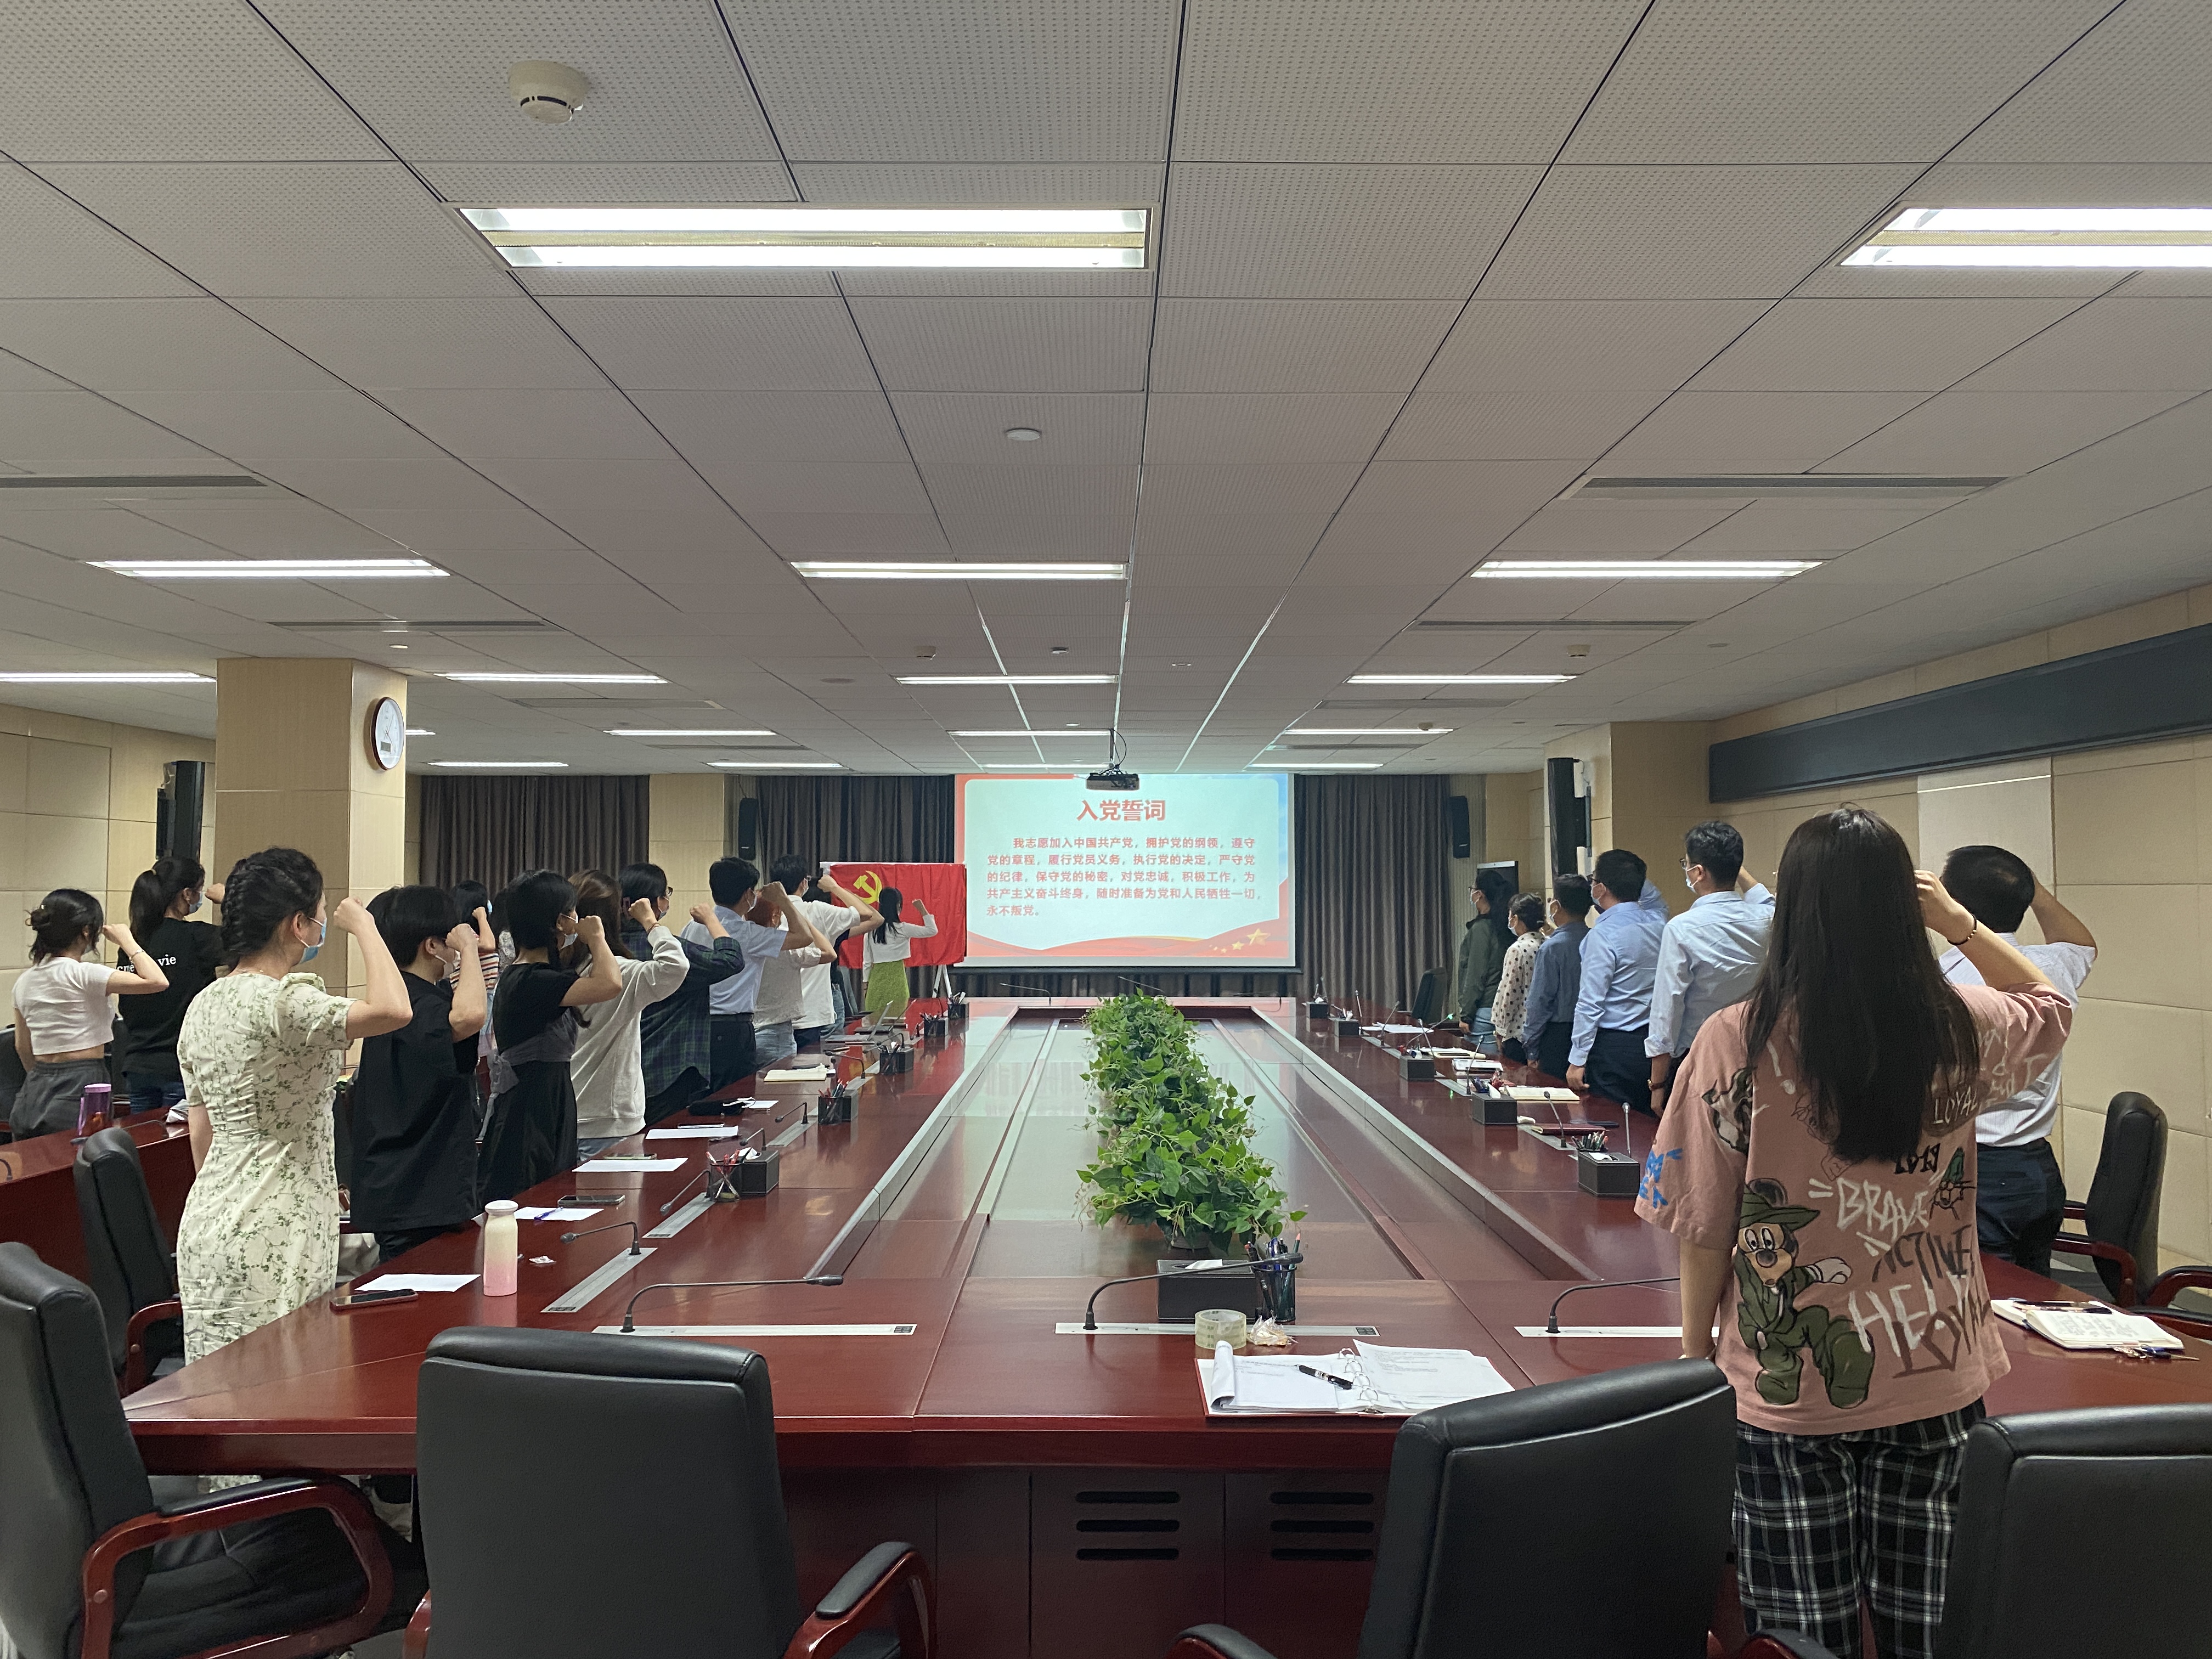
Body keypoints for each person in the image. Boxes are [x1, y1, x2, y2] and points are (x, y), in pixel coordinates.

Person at [1637, 807, 2071, 1659]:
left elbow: (1705, 1224)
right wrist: (1960, 923)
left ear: (1794, 909)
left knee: (1803, 1637)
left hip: (1787, 1388)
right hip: (1936, 1374)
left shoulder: (1738, 1040)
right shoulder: (1960, 1026)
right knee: (1931, 1632)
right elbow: (2050, 1006)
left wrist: (1696, 1359)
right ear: (1904, 907)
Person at [173, 848, 412, 1369]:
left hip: (210, 1222)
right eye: (320, 916)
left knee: (218, 1392)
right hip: (280, 1223)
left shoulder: (203, 1005)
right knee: (285, 1385)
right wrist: (366, 927)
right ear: (297, 925)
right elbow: (395, 1009)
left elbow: (201, 1131)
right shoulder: (285, 1003)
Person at [1937, 845, 2097, 1277]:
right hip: (2037, 1171)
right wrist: (2031, 888)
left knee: (1989, 1302)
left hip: (1978, 1173)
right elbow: (2082, 943)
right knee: (2032, 1302)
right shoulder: (2050, 968)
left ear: (1951, 905)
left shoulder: (1943, 983)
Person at [353, 885, 487, 1263]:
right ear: (432, 945)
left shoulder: (405, 996)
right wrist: (470, 949)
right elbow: (470, 1016)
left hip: (415, 1186)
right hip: (414, 1190)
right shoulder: (415, 1002)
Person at [479, 870, 622, 1201]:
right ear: (560, 922)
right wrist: (597, 938)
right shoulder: (532, 979)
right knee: (534, 1196)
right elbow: (610, 984)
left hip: (545, 1095)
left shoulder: (532, 975)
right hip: (532, 1104)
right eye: (573, 912)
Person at [9, 889, 168, 1137]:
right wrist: (128, 942)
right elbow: (158, 981)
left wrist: (44, 1078)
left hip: (35, 1084)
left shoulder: (24, 982)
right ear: (86, 931)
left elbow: (22, 1046)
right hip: (83, 1079)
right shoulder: (85, 974)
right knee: (83, 1155)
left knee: (36, 1158)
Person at [1647, 821, 1774, 1116]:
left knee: (1697, 1138)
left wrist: (1658, 1083)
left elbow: (1667, 1011)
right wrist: (1735, 868)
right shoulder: (1766, 919)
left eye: (1687, 865)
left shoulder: (1681, 929)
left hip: (1698, 1056)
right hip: (1753, 1053)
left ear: (1698, 872)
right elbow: (1765, 898)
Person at [567, 869, 689, 1158]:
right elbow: (675, 966)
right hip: (609, 1119)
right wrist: (651, 922)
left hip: (565, 1114)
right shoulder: (621, 973)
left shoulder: (555, 970)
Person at [678, 859, 828, 1091]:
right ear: (748, 895)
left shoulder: (692, 926)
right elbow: (804, 937)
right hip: (733, 1027)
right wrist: (784, 900)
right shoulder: (748, 933)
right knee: (736, 1096)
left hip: (696, 1024)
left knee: (703, 1095)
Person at [619, 862, 745, 1125]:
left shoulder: (608, 950)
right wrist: (711, 919)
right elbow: (731, 959)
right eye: (666, 894)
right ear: (654, 904)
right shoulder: (672, 952)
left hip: (623, 1068)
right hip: (669, 1066)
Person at [116, 857, 225, 1118]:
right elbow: (256, 940)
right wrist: (228, 901)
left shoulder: (132, 943)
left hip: (137, 1065)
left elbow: (127, 1005)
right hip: (180, 1065)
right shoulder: (197, 937)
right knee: (178, 1141)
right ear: (187, 894)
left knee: (144, 1140)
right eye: (199, 890)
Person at [1566, 849, 1668, 1115]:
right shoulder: (1659, 922)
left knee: (1613, 1125)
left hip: (1614, 1048)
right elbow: (1653, 896)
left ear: (1600, 889)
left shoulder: (1602, 935)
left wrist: (1578, 1059)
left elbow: (1590, 1002)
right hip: (1655, 1046)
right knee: (1649, 1125)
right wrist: (1632, 877)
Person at [754, 855, 879, 1069]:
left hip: (771, 1018)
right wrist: (835, 887)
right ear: (804, 882)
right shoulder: (817, 911)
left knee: (773, 1082)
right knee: (815, 1079)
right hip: (812, 1015)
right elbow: (869, 914)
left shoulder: (765, 912)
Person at [1518, 874, 1594, 1078]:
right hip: (1592, 1034)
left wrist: (1531, 1047)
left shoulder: (1552, 948)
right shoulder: (1596, 939)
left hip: (1557, 1037)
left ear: (1556, 906)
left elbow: (1539, 1002)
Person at [1454, 868, 1516, 1052]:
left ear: (1479, 894)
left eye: (1472, 890)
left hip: (1483, 1011)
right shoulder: (1506, 927)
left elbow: (1475, 975)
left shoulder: (1481, 929)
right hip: (1504, 1008)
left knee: (1480, 1068)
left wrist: (1466, 1015)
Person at [1491, 893, 1549, 1065]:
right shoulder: (1548, 944)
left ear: (1515, 919)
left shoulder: (1518, 949)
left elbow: (1509, 993)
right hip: (1543, 1030)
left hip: (1517, 1032)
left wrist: (1500, 1030)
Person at [861, 887, 938, 1018]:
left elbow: (867, 961)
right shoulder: (903, 928)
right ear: (898, 905)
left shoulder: (871, 931)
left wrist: (865, 985)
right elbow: (932, 930)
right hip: (898, 979)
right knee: (896, 1023)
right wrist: (922, 910)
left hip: (876, 981)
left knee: (874, 1023)